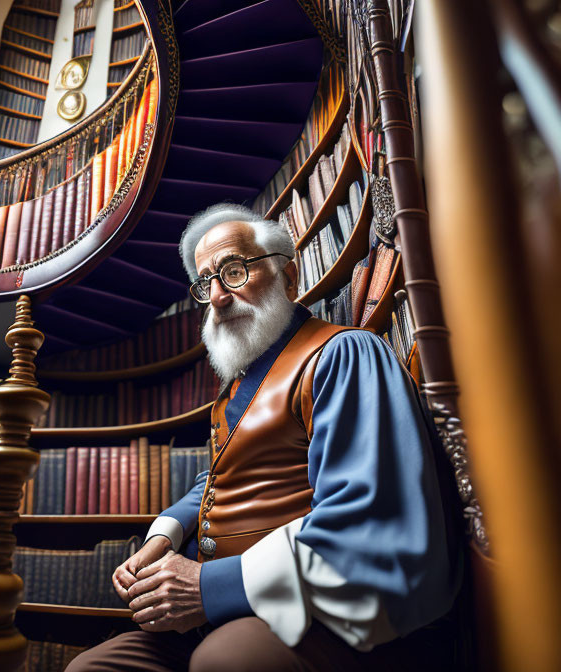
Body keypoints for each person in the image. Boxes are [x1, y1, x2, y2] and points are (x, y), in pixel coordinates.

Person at [66, 204, 463, 671]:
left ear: (288, 279)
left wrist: (206, 587)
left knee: (224, 663)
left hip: (313, 612)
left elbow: (370, 516)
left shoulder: (344, 355)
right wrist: (164, 538)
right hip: (214, 611)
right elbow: (220, 479)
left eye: (233, 271)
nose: (216, 296)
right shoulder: (238, 384)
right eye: (205, 282)